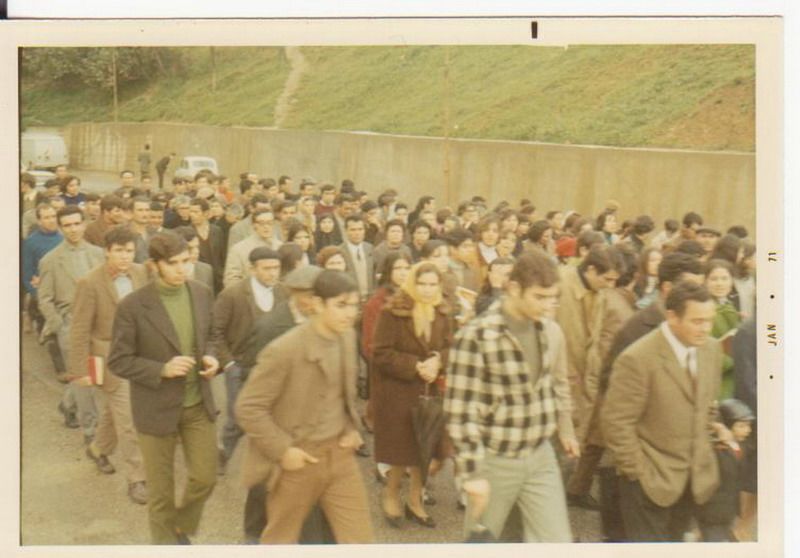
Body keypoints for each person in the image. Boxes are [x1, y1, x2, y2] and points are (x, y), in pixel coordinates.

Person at [445, 249, 578, 542]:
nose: (547, 306)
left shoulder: (549, 330)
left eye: (552, 298)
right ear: (514, 289)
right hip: (496, 460)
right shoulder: (477, 336)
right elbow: (461, 412)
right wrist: (473, 474)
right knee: (482, 544)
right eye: (539, 297)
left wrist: (565, 428)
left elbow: (556, 383)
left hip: (541, 455)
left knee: (557, 543)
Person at [235, 270, 374, 544]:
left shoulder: (347, 336)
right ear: (318, 304)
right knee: (280, 540)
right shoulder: (284, 350)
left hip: (340, 457)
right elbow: (248, 408)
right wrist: (283, 450)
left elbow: (343, 392)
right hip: (299, 460)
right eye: (341, 305)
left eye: (354, 305)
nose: (350, 313)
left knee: (359, 540)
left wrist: (350, 426)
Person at [108, 231, 219, 544]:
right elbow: (118, 361)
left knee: (205, 478)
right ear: (154, 265)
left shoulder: (201, 293)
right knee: (161, 495)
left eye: (186, 261)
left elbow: (212, 334)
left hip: (197, 404)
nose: (182, 269)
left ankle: (180, 527)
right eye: (173, 263)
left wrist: (211, 356)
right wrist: (161, 369)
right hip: (155, 409)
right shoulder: (133, 306)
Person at [602, 281, 725, 542]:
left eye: (709, 320)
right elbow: (616, 422)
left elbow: (706, 404)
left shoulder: (712, 349)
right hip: (649, 484)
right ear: (672, 317)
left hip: (692, 482)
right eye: (697, 321)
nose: (706, 328)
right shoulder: (637, 358)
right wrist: (637, 473)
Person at [69, 226, 149, 504]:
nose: (125, 256)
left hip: (139, 356)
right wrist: (80, 371)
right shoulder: (89, 282)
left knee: (115, 414)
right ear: (107, 252)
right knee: (130, 420)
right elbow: (79, 329)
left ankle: (98, 449)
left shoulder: (142, 273)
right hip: (110, 360)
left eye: (129, 251)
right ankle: (137, 479)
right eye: (119, 251)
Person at [371, 262, 452, 528]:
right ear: (412, 284)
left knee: (425, 448)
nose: (427, 290)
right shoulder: (393, 311)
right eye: (422, 284)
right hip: (398, 391)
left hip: (429, 390)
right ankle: (391, 494)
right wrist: (415, 366)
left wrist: (438, 361)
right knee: (401, 449)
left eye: (432, 284)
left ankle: (415, 499)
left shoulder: (442, 312)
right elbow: (380, 353)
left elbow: (451, 346)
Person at [212, 247, 286, 474]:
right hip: (241, 365)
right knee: (238, 418)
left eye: (276, 268)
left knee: (274, 415)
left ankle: (269, 463)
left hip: (273, 367)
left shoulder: (284, 292)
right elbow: (216, 331)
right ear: (252, 269)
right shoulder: (232, 295)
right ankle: (223, 452)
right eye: (267, 268)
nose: (272, 273)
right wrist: (229, 363)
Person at [38, 205, 105, 439]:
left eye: (77, 223)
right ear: (60, 228)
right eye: (67, 225)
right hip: (70, 323)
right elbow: (45, 298)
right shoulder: (51, 260)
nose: (73, 229)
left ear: (84, 224)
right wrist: (59, 325)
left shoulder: (99, 254)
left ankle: (67, 403)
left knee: (95, 373)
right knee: (82, 377)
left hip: (98, 323)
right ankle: (91, 429)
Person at [695, 399, 755, 541]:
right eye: (741, 426)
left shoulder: (742, 447)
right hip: (712, 511)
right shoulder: (717, 450)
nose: (747, 430)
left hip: (728, 511)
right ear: (727, 426)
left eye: (748, 426)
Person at [705, 259, 741, 400]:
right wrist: (739, 359)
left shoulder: (729, 306)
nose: (719, 283)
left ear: (732, 281)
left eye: (724, 278)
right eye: (714, 279)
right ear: (705, 281)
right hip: (719, 382)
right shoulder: (705, 311)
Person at [224, 208, 282, 288]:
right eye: (261, 223)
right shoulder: (238, 249)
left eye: (270, 223)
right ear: (254, 225)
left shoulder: (280, 247)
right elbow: (231, 280)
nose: (266, 226)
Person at [189, 197, 226, 293]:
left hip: (217, 279)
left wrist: (222, 274)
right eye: (191, 211)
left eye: (195, 212)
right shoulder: (188, 232)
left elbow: (223, 255)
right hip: (199, 278)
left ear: (205, 213)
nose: (191, 215)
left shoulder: (217, 231)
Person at [339, 214, 374, 302]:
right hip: (350, 300)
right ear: (346, 231)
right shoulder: (339, 252)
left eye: (360, 229)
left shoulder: (370, 248)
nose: (357, 233)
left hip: (370, 299)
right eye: (353, 230)